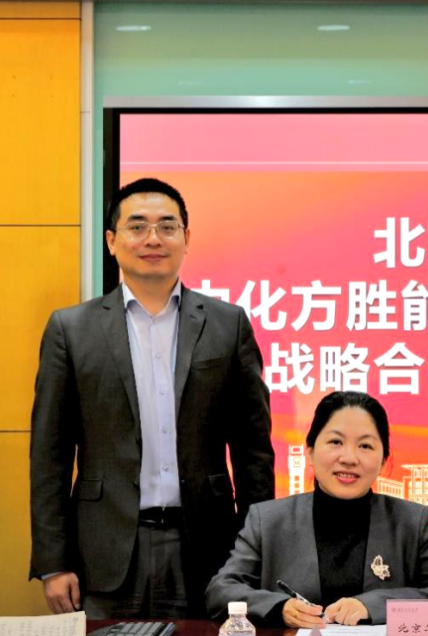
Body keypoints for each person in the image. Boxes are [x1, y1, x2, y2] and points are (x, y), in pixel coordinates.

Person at [29, 178, 275, 618]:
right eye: (137, 226)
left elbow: (253, 451)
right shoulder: (72, 330)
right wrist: (53, 561)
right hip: (101, 553)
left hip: (208, 551)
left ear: (186, 238)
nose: (153, 239)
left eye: (167, 226)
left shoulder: (228, 324)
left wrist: (257, 553)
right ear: (112, 241)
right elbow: (50, 455)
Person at [205, 391, 428, 626]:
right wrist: (279, 608)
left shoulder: (412, 521)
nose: (349, 458)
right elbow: (220, 592)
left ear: (383, 461)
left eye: (365, 446)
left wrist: (373, 606)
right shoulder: (268, 520)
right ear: (310, 451)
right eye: (335, 442)